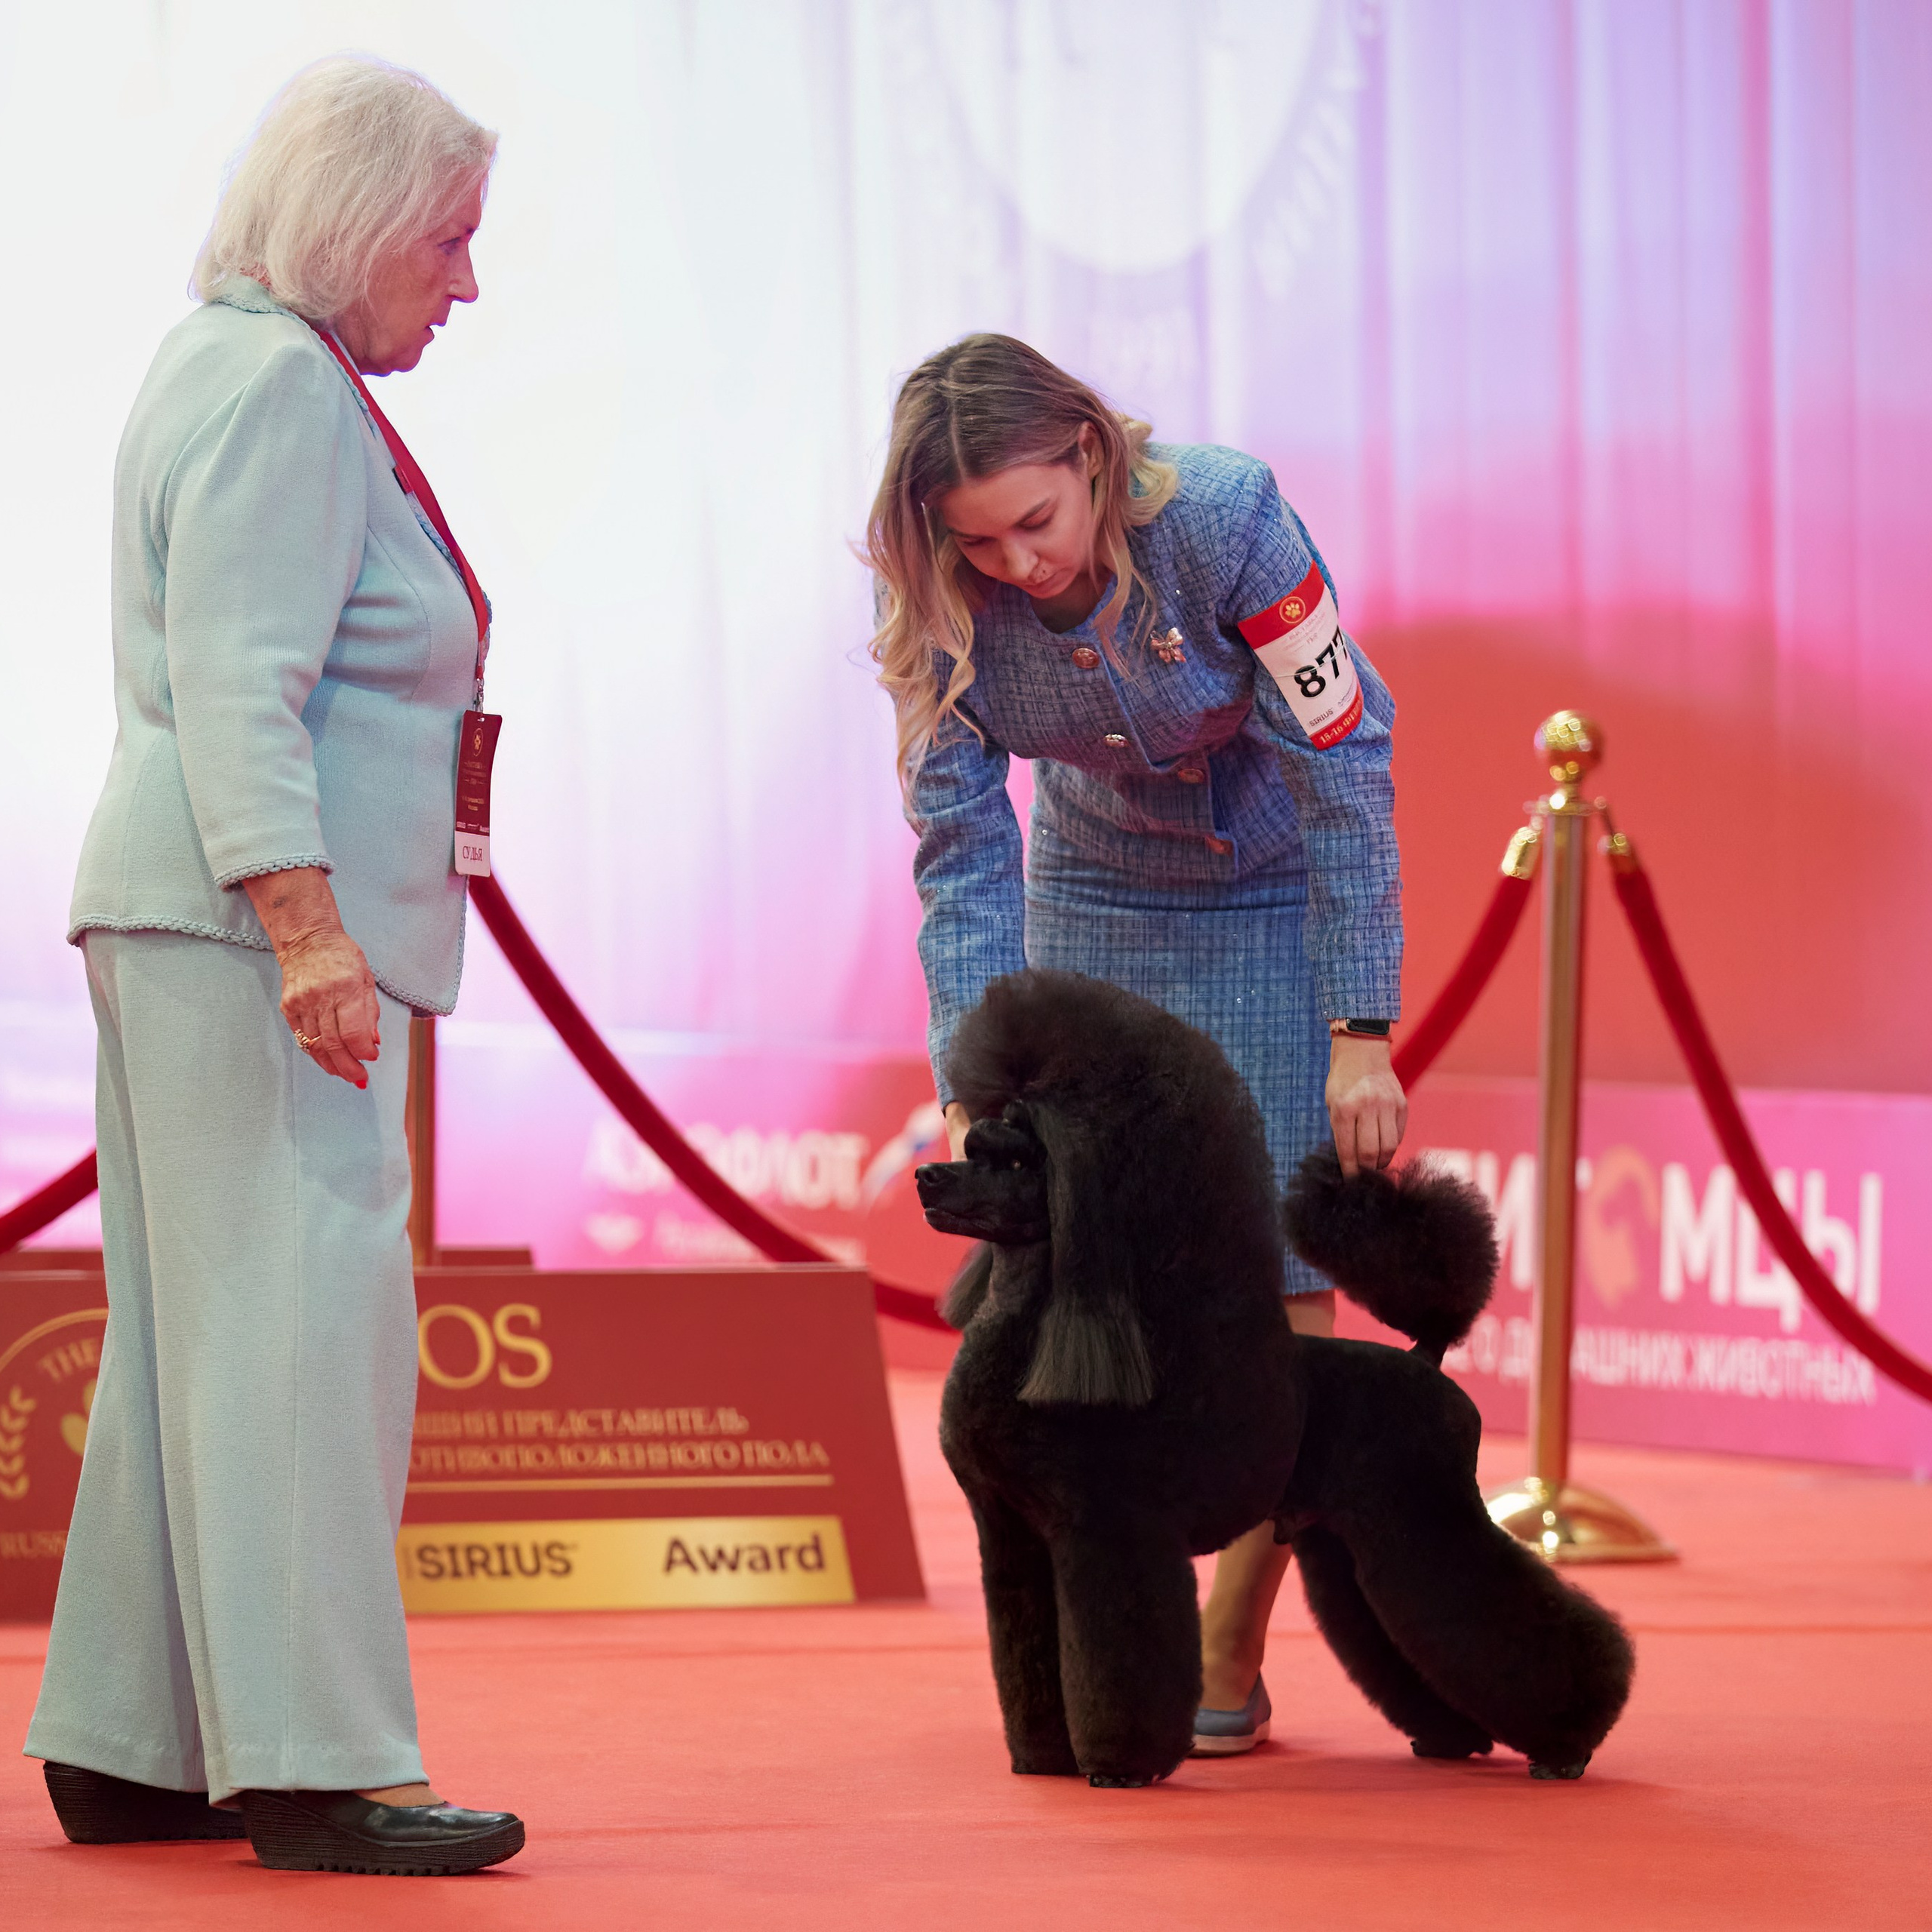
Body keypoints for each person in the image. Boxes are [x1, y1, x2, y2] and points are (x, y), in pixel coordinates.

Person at [25, 58, 523, 1875]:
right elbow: (243, 686)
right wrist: (312, 930)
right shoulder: (281, 394)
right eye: (449, 241)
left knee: (202, 1341)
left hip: (194, 910)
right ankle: (318, 1764)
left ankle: (133, 1742)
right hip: (251, 925)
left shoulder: (219, 361)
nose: (464, 284)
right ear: (357, 225)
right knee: (304, 1343)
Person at [864, 334, 1407, 1756]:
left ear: (1095, 458)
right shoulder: (935, 592)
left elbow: (1344, 757)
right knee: (1084, 1267)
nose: (1017, 565)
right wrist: (970, 1079)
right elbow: (961, 846)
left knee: (1278, 1263)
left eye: (1036, 522)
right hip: (1097, 891)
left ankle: (1234, 1631)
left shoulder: (1229, 519)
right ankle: (1111, 1618)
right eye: (978, 542)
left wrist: (1362, 1029)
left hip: (1277, 885)